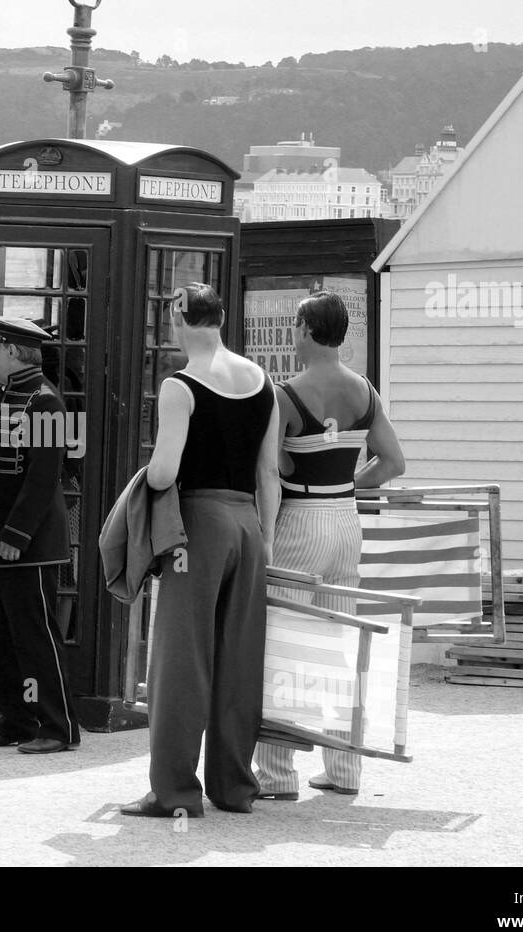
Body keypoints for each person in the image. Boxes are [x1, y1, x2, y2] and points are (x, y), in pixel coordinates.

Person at [121, 284, 280, 817]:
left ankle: (174, 791)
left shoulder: (179, 386)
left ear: (178, 317)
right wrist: (267, 540)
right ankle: (234, 786)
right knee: (239, 657)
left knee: (181, 658)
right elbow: (268, 475)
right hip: (248, 527)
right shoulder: (262, 383)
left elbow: (165, 471)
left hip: (199, 524)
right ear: (222, 317)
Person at [252, 290, 406, 798]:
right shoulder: (364, 389)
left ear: (303, 329)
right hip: (345, 521)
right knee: (342, 643)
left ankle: (277, 774)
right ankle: (344, 770)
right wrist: (346, 486)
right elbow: (393, 463)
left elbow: (275, 469)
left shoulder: (285, 393)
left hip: (300, 519)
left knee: (285, 643)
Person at [0, 316, 81, 755]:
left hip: (26, 544)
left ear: (13, 352)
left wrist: (16, 533)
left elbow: (43, 476)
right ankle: (16, 719)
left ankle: (58, 726)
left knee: (36, 635)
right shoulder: (10, 395)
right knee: (1, 631)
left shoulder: (44, 401)